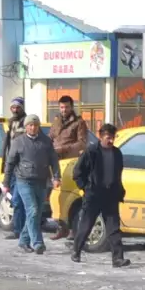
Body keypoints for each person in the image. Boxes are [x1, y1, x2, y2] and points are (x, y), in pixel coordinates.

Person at [70, 123, 130, 268]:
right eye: (108, 138)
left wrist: (119, 190)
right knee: (86, 224)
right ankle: (76, 251)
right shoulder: (91, 152)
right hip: (94, 195)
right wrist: (86, 187)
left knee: (113, 227)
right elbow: (78, 172)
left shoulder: (117, 153)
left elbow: (118, 174)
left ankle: (117, 258)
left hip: (110, 195)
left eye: (113, 138)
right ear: (101, 136)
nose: (110, 141)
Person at [2, 114, 60, 254]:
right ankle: (38, 242)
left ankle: (23, 240)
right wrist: (6, 183)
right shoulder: (18, 142)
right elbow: (10, 164)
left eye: (35, 125)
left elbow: (54, 160)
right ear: (26, 127)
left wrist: (56, 177)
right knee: (32, 210)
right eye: (30, 125)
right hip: (24, 181)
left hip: (41, 182)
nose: (33, 128)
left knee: (36, 214)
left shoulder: (45, 141)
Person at [48, 95, 89, 240]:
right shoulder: (56, 121)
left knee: (69, 196)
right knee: (56, 195)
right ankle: (61, 226)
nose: (63, 110)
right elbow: (50, 138)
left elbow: (82, 143)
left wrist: (62, 149)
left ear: (72, 107)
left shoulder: (79, 123)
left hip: (70, 162)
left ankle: (72, 228)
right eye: (61, 107)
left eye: (66, 107)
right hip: (56, 163)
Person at [1, 98, 28, 240]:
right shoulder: (10, 122)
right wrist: (4, 165)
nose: (15, 109)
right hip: (11, 167)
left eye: (17, 107)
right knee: (14, 199)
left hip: (22, 167)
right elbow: (6, 145)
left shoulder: (27, 122)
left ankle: (19, 230)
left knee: (18, 200)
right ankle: (20, 229)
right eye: (13, 107)